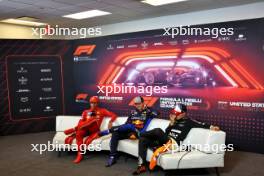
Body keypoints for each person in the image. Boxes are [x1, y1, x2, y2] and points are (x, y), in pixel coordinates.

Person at [133, 103, 220, 175]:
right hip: (164, 141)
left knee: (157, 131)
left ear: (183, 113)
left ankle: (139, 134)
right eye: (174, 113)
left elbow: (202, 124)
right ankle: (141, 166)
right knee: (143, 140)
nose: (174, 115)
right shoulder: (174, 121)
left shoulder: (189, 121)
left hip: (172, 144)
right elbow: (166, 133)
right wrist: (171, 124)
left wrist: (212, 127)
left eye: (176, 113)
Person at [104, 96, 158, 167]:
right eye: (136, 104)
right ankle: (112, 156)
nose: (137, 105)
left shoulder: (148, 111)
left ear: (143, 103)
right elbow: (127, 123)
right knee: (115, 133)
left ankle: (109, 130)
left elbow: (156, 113)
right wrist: (122, 128)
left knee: (118, 129)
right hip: (129, 131)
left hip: (137, 132)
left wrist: (147, 108)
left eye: (139, 103)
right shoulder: (133, 113)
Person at [64, 96, 117, 164]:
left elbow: (114, 115)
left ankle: (74, 129)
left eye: (95, 103)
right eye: (92, 103)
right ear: (89, 103)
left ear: (98, 103)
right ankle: (80, 154)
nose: (93, 104)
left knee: (91, 120)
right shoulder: (86, 112)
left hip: (94, 130)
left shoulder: (102, 110)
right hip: (85, 129)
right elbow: (80, 122)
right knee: (79, 133)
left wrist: (110, 121)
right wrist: (86, 123)